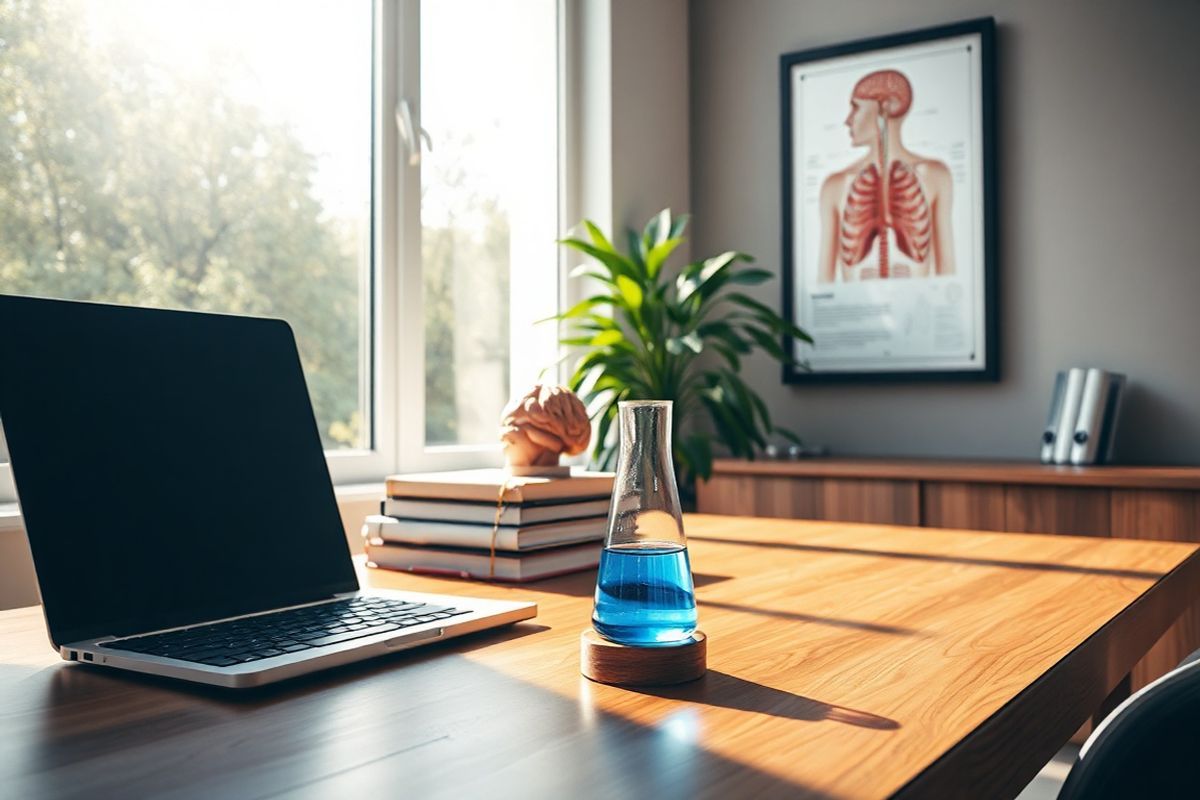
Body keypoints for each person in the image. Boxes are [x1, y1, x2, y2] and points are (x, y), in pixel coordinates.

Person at [817, 69, 955, 283]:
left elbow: (948, 276)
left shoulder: (936, 175)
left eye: (856, 107)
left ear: (886, 107)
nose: (848, 120)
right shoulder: (834, 185)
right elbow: (822, 284)